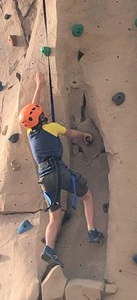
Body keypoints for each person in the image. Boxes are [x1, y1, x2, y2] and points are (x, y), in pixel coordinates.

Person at [18, 73, 104, 267]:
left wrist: (38, 86)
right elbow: (72, 134)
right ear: (41, 117)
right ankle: (92, 231)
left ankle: (49, 249)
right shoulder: (52, 127)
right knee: (87, 196)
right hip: (59, 171)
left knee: (55, 216)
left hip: (44, 179)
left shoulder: (31, 132)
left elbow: (30, 113)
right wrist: (85, 135)